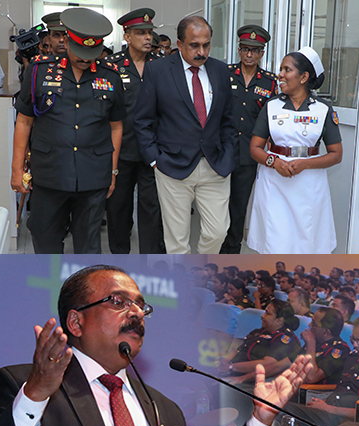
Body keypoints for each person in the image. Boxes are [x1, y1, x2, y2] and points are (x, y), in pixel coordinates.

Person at [0, 265, 186, 426]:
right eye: (119, 302)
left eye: (141, 306)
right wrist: (36, 394)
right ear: (76, 323)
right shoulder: (24, 387)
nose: (137, 313)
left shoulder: (167, 411)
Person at [10, 8, 125, 254]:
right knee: (44, 238)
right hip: (50, 173)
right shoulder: (40, 71)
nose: (85, 59)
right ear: (67, 39)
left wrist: (112, 171)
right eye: (81, 52)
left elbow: (116, 126)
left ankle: (81, 292)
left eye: (91, 53)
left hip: (93, 176)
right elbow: (24, 121)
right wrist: (17, 169)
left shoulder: (111, 76)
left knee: (88, 245)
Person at [135, 15, 236, 254]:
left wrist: (229, 153)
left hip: (215, 165)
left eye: (206, 44)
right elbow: (142, 120)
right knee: (177, 242)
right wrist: (154, 160)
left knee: (218, 231)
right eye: (194, 45)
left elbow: (228, 120)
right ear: (180, 44)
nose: (201, 51)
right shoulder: (158, 70)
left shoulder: (221, 71)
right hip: (171, 166)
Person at [246, 47, 341, 253]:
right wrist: (275, 162)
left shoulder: (323, 109)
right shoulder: (271, 106)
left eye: (287, 70)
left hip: (309, 183)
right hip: (274, 182)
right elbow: (255, 148)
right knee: (274, 240)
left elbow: (336, 154)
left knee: (307, 240)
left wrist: (304, 164)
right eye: (281, 69)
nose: (280, 74)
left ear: (304, 77)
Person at [105, 8, 165, 254]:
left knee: (152, 210)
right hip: (122, 149)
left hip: (153, 150)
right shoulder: (111, 67)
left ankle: (151, 263)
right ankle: (120, 259)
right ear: (127, 36)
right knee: (118, 209)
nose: (148, 38)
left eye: (149, 33)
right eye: (141, 33)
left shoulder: (162, 67)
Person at [220, 25, 277, 254]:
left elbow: (273, 121)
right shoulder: (224, 74)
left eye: (255, 50)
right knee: (217, 207)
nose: (250, 54)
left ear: (262, 53)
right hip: (222, 152)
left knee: (238, 207)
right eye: (245, 49)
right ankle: (214, 250)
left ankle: (231, 253)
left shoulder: (270, 82)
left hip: (249, 155)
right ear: (239, 51)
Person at [219, 299, 302, 385]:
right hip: (231, 372)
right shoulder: (258, 332)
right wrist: (223, 362)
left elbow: (268, 363)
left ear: (279, 320)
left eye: (268, 313)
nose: (262, 315)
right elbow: (238, 350)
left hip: (251, 380)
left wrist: (231, 367)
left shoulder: (284, 339)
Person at [299, 307, 351, 385]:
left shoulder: (339, 350)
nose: (310, 325)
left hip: (317, 393)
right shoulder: (317, 343)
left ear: (326, 331)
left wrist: (311, 345)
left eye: (314, 324)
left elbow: (311, 377)